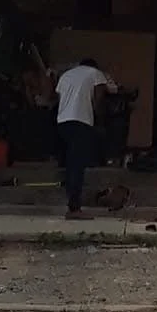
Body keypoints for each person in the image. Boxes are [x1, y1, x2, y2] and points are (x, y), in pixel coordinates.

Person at [55, 57, 116, 220]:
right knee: (77, 164)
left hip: (62, 122)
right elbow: (99, 95)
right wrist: (97, 115)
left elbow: (59, 99)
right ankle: (74, 208)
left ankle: (71, 199)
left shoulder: (66, 76)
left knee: (69, 162)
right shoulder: (96, 73)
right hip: (81, 121)